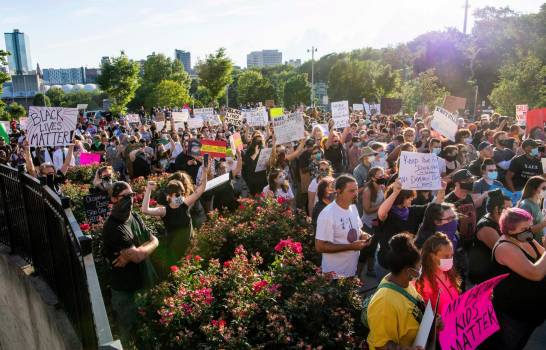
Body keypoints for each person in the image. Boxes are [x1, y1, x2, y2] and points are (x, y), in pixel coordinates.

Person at [102, 181, 159, 347]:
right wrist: (140, 251)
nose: (130, 200)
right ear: (113, 199)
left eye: (132, 195)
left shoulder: (134, 216)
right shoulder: (113, 228)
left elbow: (153, 240)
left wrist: (132, 254)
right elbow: (139, 256)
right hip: (125, 291)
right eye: (124, 197)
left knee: (146, 329)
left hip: (143, 282)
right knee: (127, 332)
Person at [484, 208, 546, 349]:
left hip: (531, 313)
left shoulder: (526, 238)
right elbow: (536, 273)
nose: (529, 230)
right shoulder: (505, 247)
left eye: (530, 226)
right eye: (524, 228)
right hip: (513, 316)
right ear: (510, 230)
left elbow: (542, 257)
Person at [141, 169, 208, 277]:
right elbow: (145, 210)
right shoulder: (164, 210)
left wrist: (205, 171)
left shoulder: (185, 204)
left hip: (189, 247)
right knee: (178, 276)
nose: (180, 197)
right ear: (169, 196)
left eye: (182, 194)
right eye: (177, 195)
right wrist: (148, 189)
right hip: (174, 251)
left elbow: (201, 189)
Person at [376, 179, 446, 281]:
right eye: (408, 197)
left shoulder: (413, 211)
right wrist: (396, 192)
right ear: (400, 198)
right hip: (387, 265)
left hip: (406, 266)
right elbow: (381, 213)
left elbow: (435, 206)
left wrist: (442, 190)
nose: (411, 200)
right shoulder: (389, 213)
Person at [366, 233, 425, 350]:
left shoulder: (404, 283)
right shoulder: (384, 303)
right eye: (419, 267)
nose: (421, 270)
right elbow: (382, 345)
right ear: (409, 271)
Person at [315, 174, 371, 278]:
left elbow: (358, 229)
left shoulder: (353, 208)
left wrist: (364, 235)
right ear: (339, 192)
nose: (355, 194)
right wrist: (350, 247)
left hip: (351, 271)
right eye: (351, 191)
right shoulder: (327, 214)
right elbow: (320, 246)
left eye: (356, 190)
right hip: (334, 275)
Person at [468, 189, 510, 284]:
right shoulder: (486, 227)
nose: (510, 211)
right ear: (496, 209)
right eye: (507, 208)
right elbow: (503, 251)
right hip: (484, 274)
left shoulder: (498, 219)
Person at [415, 232, 460, 314]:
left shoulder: (448, 273)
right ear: (432, 257)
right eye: (446, 256)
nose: (450, 259)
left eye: (451, 255)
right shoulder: (423, 283)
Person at [517, 176, 546, 241]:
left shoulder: (536, 203)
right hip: (532, 246)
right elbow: (526, 231)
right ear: (534, 189)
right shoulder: (526, 205)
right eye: (544, 188)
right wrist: (544, 223)